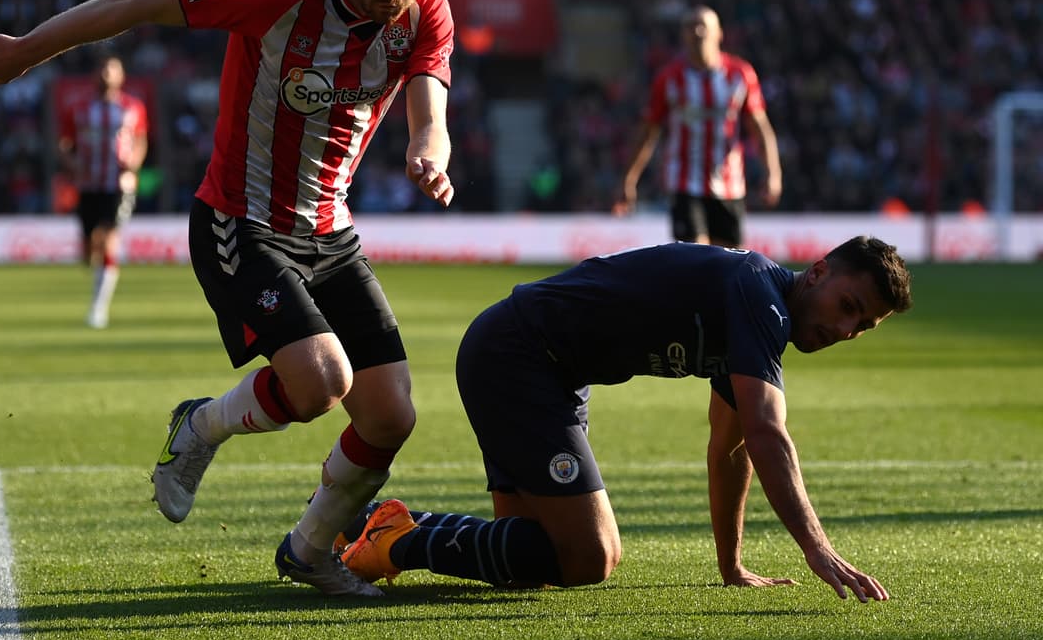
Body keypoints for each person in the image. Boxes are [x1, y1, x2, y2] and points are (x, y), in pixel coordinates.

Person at [0, 0, 455, 597]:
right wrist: (28, 50)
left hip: (330, 232)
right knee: (320, 383)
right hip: (238, 221)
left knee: (389, 415)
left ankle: (312, 549)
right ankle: (201, 425)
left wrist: (428, 150)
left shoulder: (426, 12)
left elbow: (429, 102)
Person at [338, 236, 912, 603]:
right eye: (847, 307)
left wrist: (731, 564)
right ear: (816, 273)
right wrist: (816, 547)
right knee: (591, 557)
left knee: (535, 559)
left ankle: (366, 521)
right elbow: (768, 433)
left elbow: (731, 447)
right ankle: (399, 543)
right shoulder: (758, 296)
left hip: (542, 373)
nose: (844, 331)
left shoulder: (755, 313)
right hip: (518, 357)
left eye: (861, 327)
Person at [613, 6, 782, 246]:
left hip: (730, 183)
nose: (698, 31)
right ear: (683, 35)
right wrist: (628, 179)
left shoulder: (740, 74)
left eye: (704, 25)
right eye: (691, 26)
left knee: (729, 264)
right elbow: (648, 133)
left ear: (719, 33)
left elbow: (760, 127)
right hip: (684, 182)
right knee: (695, 259)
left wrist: (773, 172)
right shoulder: (669, 79)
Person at [58, 54, 148, 329]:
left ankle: (98, 309)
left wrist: (135, 162)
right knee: (89, 249)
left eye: (112, 69)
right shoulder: (79, 108)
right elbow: (64, 143)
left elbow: (141, 140)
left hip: (119, 184)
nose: (107, 74)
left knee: (109, 237)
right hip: (88, 184)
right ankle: (96, 270)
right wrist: (71, 161)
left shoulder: (133, 108)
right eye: (102, 69)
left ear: (121, 75)